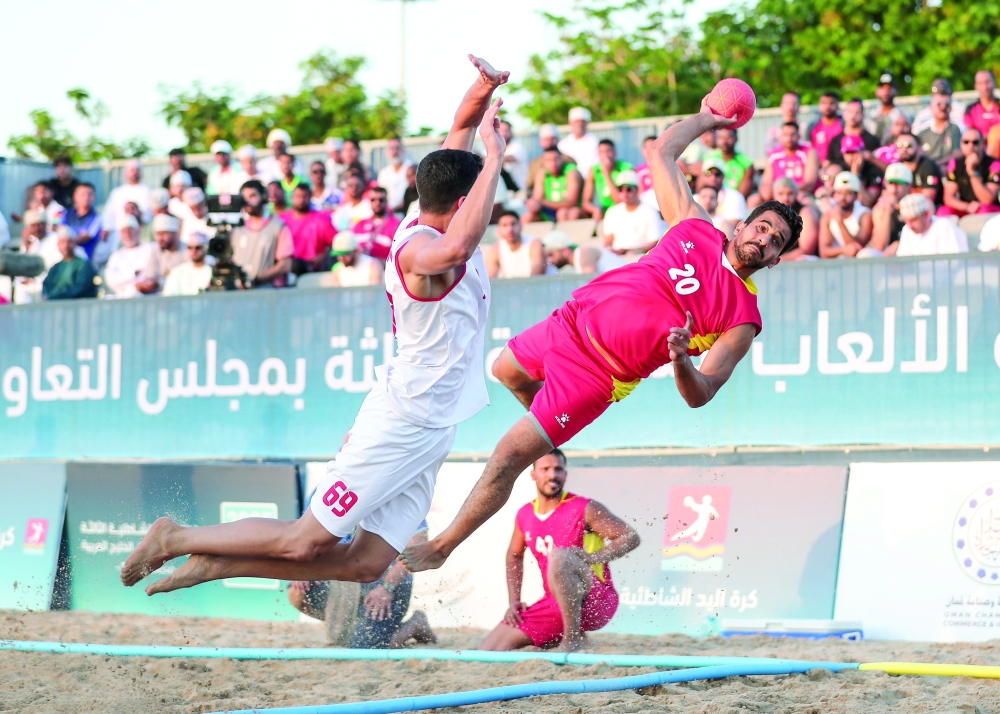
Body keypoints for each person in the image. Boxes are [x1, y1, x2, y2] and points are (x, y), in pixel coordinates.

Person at [120, 54, 508, 595]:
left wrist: (484, 88)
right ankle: (176, 538)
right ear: (465, 201)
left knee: (366, 563)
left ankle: (218, 564)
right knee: (306, 540)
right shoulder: (422, 251)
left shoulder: (432, 211)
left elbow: (460, 128)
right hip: (405, 420)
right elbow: (462, 241)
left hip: (433, 424)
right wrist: (496, 156)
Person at [399, 94, 802, 574]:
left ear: (776, 259)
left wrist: (680, 360)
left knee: (507, 456)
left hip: (596, 377)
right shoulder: (694, 225)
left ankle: (442, 547)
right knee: (503, 368)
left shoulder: (744, 317)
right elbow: (661, 150)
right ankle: (548, 432)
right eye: (763, 228)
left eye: (775, 241)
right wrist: (709, 118)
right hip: (569, 323)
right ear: (742, 225)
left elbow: (703, 393)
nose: (764, 239)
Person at [479, 449, 639, 652]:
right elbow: (514, 556)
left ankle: (572, 639)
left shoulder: (583, 507)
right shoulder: (525, 513)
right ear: (533, 474)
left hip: (595, 600)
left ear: (565, 474)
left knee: (560, 556)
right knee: (488, 650)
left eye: (558, 469)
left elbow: (630, 537)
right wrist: (514, 601)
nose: (552, 474)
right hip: (555, 602)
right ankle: (556, 639)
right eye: (545, 469)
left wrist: (592, 558)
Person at [289, 525, 438, 650]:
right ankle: (353, 626)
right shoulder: (327, 492)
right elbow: (306, 537)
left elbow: (417, 546)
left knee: (367, 648)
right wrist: (303, 569)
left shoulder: (403, 496)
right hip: (344, 579)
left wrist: (386, 587)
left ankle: (414, 625)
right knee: (297, 590)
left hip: (385, 583)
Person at [12, 211, 87, 304]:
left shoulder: (54, 240)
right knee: (19, 289)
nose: (37, 229)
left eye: (39, 225)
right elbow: (21, 270)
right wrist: (27, 247)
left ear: (45, 225)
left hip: (49, 283)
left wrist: (36, 280)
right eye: (33, 226)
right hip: (31, 285)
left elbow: (57, 267)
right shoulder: (30, 243)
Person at [232, 180, 295, 288]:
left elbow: (285, 265)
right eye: (245, 197)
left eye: (252, 196)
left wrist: (256, 281)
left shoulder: (278, 226)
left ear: (263, 197)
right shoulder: (238, 229)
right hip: (239, 296)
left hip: (268, 294)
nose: (248, 201)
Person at [600, 170, 665, 257]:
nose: (625, 193)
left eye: (629, 189)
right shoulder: (612, 212)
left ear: (637, 190)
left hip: (639, 256)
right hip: (617, 256)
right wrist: (609, 250)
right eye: (620, 189)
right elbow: (609, 240)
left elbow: (654, 243)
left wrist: (629, 251)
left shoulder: (650, 212)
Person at [939, 128, 1000, 218]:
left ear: (982, 144)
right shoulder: (955, 164)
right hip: (967, 207)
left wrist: (971, 172)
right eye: (966, 142)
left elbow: (987, 199)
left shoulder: (994, 165)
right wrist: (966, 207)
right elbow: (948, 198)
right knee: (943, 211)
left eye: (975, 142)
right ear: (961, 144)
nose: (970, 146)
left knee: (984, 211)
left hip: (988, 209)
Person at [281, 183, 335, 274]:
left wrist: (323, 256)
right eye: (298, 196)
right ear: (292, 197)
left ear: (311, 197)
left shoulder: (321, 220)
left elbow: (335, 243)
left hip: (313, 271)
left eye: (305, 196)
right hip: (287, 270)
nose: (301, 200)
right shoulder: (282, 220)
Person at [757, 122, 819, 202]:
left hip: (800, 194)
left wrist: (786, 191)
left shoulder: (809, 152)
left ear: (799, 136)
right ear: (780, 137)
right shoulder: (773, 154)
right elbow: (765, 182)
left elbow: (810, 183)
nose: (789, 138)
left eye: (792, 135)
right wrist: (765, 191)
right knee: (754, 200)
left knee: (803, 199)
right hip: (777, 195)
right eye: (785, 135)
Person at [818, 172, 872, 258]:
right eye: (839, 193)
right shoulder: (827, 216)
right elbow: (824, 252)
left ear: (856, 196)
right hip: (837, 261)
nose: (843, 197)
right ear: (834, 195)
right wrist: (843, 250)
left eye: (848, 193)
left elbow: (856, 249)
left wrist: (840, 222)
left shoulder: (865, 214)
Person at [895, 193, 968, 256]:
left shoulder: (943, 226)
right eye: (906, 221)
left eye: (913, 220)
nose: (910, 226)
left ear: (926, 214)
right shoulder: (907, 229)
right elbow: (903, 264)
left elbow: (954, 262)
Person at [523, 148, 583, 223]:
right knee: (526, 217)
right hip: (549, 211)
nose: (552, 163)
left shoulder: (572, 172)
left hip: (569, 210)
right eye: (548, 160)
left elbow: (571, 202)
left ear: (562, 159)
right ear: (544, 162)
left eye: (556, 159)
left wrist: (543, 202)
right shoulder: (542, 173)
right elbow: (537, 199)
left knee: (564, 213)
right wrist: (534, 204)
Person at [102, 159, 152, 246]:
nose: (135, 173)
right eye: (132, 170)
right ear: (125, 173)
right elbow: (109, 214)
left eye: (137, 170)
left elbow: (148, 215)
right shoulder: (117, 192)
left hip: (140, 233)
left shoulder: (147, 191)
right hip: (119, 234)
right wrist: (106, 229)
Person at [582, 140, 633, 221]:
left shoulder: (625, 168)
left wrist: (606, 173)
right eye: (602, 152)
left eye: (608, 151)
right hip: (604, 210)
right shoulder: (593, 170)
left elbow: (619, 201)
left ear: (615, 153)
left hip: (622, 210)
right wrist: (595, 210)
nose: (605, 155)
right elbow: (585, 202)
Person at [104, 214, 154, 299]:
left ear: (138, 230)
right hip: (124, 297)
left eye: (130, 230)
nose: (127, 234)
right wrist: (133, 274)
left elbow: (152, 276)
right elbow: (112, 281)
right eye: (124, 231)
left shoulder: (151, 248)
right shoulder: (116, 256)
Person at [869, 163, 913, 257]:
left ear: (908, 186)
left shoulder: (919, 204)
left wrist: (900, 245)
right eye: (891, 183)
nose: (894, 189)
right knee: (866, 254)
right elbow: (879, 246)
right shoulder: (880, 209)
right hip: (888, 254)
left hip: (913, 250)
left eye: (899, 184)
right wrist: (887, 210)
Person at [484, 211, 545, 279]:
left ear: (520, 225)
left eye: (513, 224)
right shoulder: (495, 249)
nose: (510, 229)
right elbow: (490, 278)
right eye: (504, 225)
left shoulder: (534, 243)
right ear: (499, 230)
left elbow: (536, 277)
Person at [42, 226, 98, 300]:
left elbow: (79, 289)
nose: (66, 245)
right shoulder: (55, 268)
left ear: (75, 243)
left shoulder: (83, 265)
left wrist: (55, 296)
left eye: (69, 242)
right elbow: (46, 286)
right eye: (62, 242)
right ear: (58, 245)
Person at [137, 214, 188, 294]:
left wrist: (159, 283)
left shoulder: (188, 249)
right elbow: (151, 275)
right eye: (158, 234)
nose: (160, 238)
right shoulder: (156, 250)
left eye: (164, 234)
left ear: (175, 234)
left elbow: (186, 280)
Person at [770, 178, 819, 260]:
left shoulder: (806, 213)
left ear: (796, 194)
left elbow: (807, 250)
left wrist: (776, 261)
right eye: (781, 194)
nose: (785, 198)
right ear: (774, 195)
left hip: (802, 262)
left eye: (790, 193)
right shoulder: (770, 213)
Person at [826, 99, 882, 170]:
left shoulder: (872, 140)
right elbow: (829, 163)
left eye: (857, 112)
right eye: (850, 111)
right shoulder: (835, 141)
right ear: (844, 114)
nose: (853, 116)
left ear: (863, 116)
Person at [893, 132, 944, 207]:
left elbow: (928, 199)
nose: (904, 149)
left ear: (919, 147)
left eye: (909, 145)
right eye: (899, 146)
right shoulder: (896, 168)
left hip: (928, 210)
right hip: (903, 208)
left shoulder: (929, 166)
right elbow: (889, 194)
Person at [543, 230, 626, 275]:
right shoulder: (580, 258)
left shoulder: (584, 252)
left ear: (565, 250)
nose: (549, 260)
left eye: (551, 255)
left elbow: (591, 286)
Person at [353, 187, 401, 262]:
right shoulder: (360, 224)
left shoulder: (396, 225)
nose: (377, 203)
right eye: (373, 200)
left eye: (381, 200)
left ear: (386, 201)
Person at [917, 91, 963, 168]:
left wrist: (937, 163)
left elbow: (958, 153)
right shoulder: (922, 130)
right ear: (931, 107)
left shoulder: (957, 128)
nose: (943, 107)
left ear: (951, 108)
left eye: (947, 105)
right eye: (939, 104)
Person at [705, 128, 754, 197]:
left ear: (736, 138)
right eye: (721, 138)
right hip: (711, 200)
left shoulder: (746, 163)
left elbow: (741, 196)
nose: (724, 141)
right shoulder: (710, 158)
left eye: (729, 137)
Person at [696, 158, 748, 224]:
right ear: (702, 176)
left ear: (723, 176)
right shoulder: (694, 197)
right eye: (708, 173)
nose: (713, 178)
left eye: (717, 174)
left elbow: (734, 225)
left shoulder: (735, 196)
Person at [838, 134, 884, 207]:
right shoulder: (841, 169)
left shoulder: (874, 170)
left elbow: (867, 202)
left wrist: (856, 176)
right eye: (847, 153)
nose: (850, 157)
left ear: (863, 152)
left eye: (854, 152)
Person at [61, 183, 104, 261]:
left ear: (94, 197)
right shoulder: (65, 213)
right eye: (83, 194)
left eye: (90, 194)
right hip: (62, 257)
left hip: (83, 260)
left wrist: (66, 241)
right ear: (75, 197)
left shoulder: (97, 218)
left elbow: (84, 237)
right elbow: (59, 231)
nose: (86, 197)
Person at [526, 125, 571, 194]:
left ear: (558, 140)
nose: (550, 142)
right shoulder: (534, 164)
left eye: (552, 139)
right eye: (546, 139)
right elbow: (530, 186)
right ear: (541, 142)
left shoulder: (568, 160)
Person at [557, 107, 600, 177]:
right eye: (577, 121)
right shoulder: (562, 145)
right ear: (570, 123)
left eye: (583, 121)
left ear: (587, 123)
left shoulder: (595, 142)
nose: (580, 124)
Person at [377, 138, 413, 211]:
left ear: (403, 150)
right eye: (391, 148)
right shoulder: (383, 173)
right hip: (388, 213)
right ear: (386, 152)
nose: (394, 152)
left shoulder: (412, 169)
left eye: (397, 148)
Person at [867, 74, 905, 144]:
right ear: (877, 92)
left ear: (896, 91)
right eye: (882, 88)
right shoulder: (871, 115)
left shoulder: (903, 114)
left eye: (889, 88)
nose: (886, 92)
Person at [808, 91, 844, 165]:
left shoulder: (844, 125)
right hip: (816, 166)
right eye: (824, 103)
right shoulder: (812, 126)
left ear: (837, 105)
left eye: (831, 103)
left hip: (838, 165)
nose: (827, 107)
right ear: (819, 105)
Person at [965, 71, 1000, 145]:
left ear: (994, 83)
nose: (985, 87)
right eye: (980, 83)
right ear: (976, 86)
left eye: (987, 82)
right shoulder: (970, 110)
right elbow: (970, 137)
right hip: (979, 151)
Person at [500, 120, 529, 192]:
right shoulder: (490, 149)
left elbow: (506, 158)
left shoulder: (517, 147)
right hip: (504, 191)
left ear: (511, 132)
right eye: (501, 130)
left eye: (506, 130)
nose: (504, 133)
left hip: (520, 191)